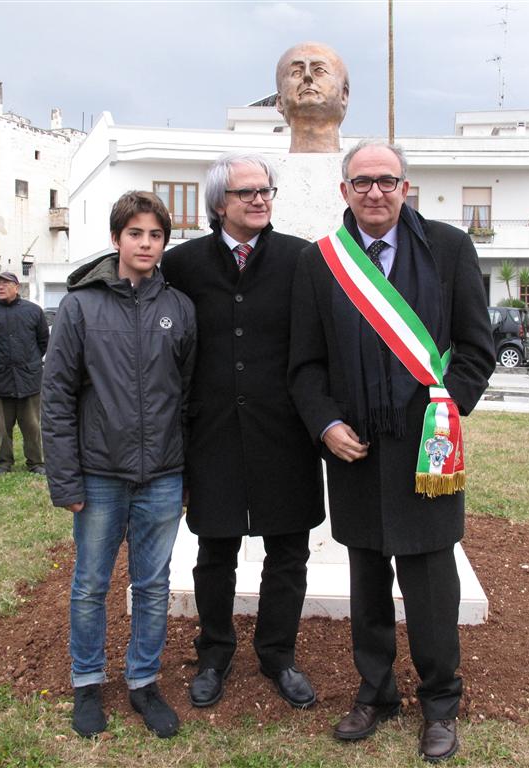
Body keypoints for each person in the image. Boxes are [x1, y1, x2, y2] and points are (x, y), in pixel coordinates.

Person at [288, 141, 495, 762]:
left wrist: (446, 413)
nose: (374, 192)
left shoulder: (450, 250)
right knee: (368, 580)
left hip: (428, 452)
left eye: (386, 180)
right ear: (344, 190)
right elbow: (304, 364)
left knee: (432, 584)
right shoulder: (321, 262)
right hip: (355, 451)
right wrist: (324, 424)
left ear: (407, 186)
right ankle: (375, 693)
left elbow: (476, 349)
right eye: (361, 182)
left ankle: (440, 704)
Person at [162, 153, 324, 710]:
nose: (260, 199)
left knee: (289, 553)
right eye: (246, 192)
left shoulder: (303, 259)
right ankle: (214, 654)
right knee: (214, 552)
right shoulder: (182, 264)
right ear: (218, 203)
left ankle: (278, 655)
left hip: (286, 436)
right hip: (213, 436)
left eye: (266, 190)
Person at [41, 191, 196, 740]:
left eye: (155, 235)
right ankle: (87, 682)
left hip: (162, 476)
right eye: (136, 234)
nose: (146, 243)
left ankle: (143, 682)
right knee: (90, 584)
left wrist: (187, 478)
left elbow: (189, 397)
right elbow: (56, 396)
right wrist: (66, 478)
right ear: (116, 239)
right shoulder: (81, 306)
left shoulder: (179, 308)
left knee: (152, 586)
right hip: (100, 475)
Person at [0, 270, 50, 475]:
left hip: (29, 378)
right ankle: (4, 462)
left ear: (17, 287)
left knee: (32, 425)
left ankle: (35, 462)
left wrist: (29, 361)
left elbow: (43, 341)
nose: (0, 286)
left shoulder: (33, 311)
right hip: (0, 379)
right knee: (3, 427)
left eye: (6, 283)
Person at [275, 42, 350, 153]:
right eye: (296, 72)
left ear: (344, 95)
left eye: (319, 70)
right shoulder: (260, 169)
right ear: (280, 101)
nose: (307, 76)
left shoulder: (363, 168)